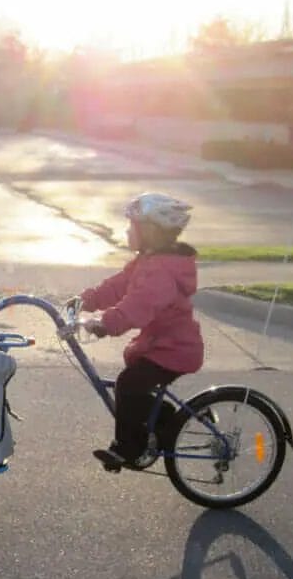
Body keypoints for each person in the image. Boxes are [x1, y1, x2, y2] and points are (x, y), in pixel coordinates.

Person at [74, 192, 204, 471]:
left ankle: (130, 450)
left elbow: (139, 306)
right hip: (161, 345)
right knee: (135, 387)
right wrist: (88, 300)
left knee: (129, 384)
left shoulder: (162, 272)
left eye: (132, 226)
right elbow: (120, 285)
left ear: (151, 231)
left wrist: (107, 323)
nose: (127, 231)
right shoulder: (149, 261)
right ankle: (166, 419)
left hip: (174, 350)